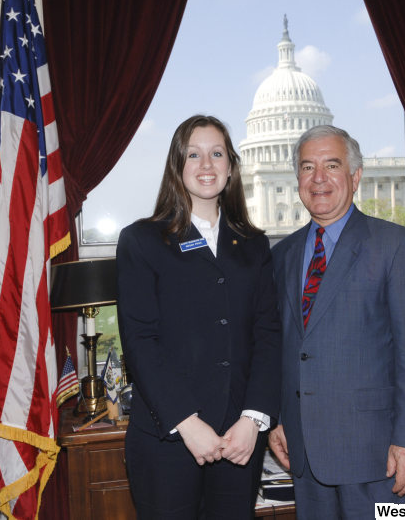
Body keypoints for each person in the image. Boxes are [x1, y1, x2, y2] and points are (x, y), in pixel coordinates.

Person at [268, 125, 405, 519]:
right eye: (307, 167)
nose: (319, 178)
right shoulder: (283, 255)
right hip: (305, 455)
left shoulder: (396, 246)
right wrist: (277, 418)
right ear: (297, 179)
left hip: (379, 456)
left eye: (332, 164)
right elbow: (282, 347)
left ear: (355, 176)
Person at [116, 115, 281, 519]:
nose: (206, 164)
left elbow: (269, 335)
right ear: (177, 164)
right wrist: (187, 423)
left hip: (238, 438)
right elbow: (140, 342)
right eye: (194, 154)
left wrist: (253, 419)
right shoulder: (141, 240)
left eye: (217, 154)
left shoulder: (255, 246)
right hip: (167, 439)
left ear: (231, 166)